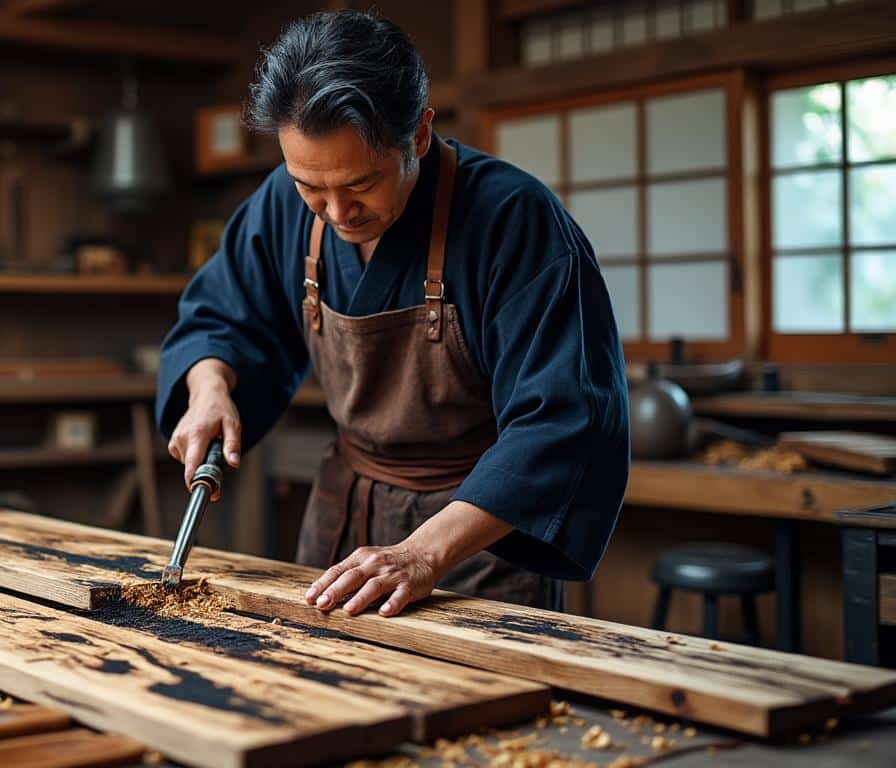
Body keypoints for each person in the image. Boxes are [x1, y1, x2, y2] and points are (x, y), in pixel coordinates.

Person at [156, 9, 629, 617]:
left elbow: (563, 417)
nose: (336, 212)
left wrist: (425, 553)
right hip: (341, 519)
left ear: (420, 134)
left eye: (362, 184)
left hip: (473, 539)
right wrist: (209, 388)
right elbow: (220, 316)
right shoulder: (283, 202)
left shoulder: (515, 220)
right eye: (311, 186)